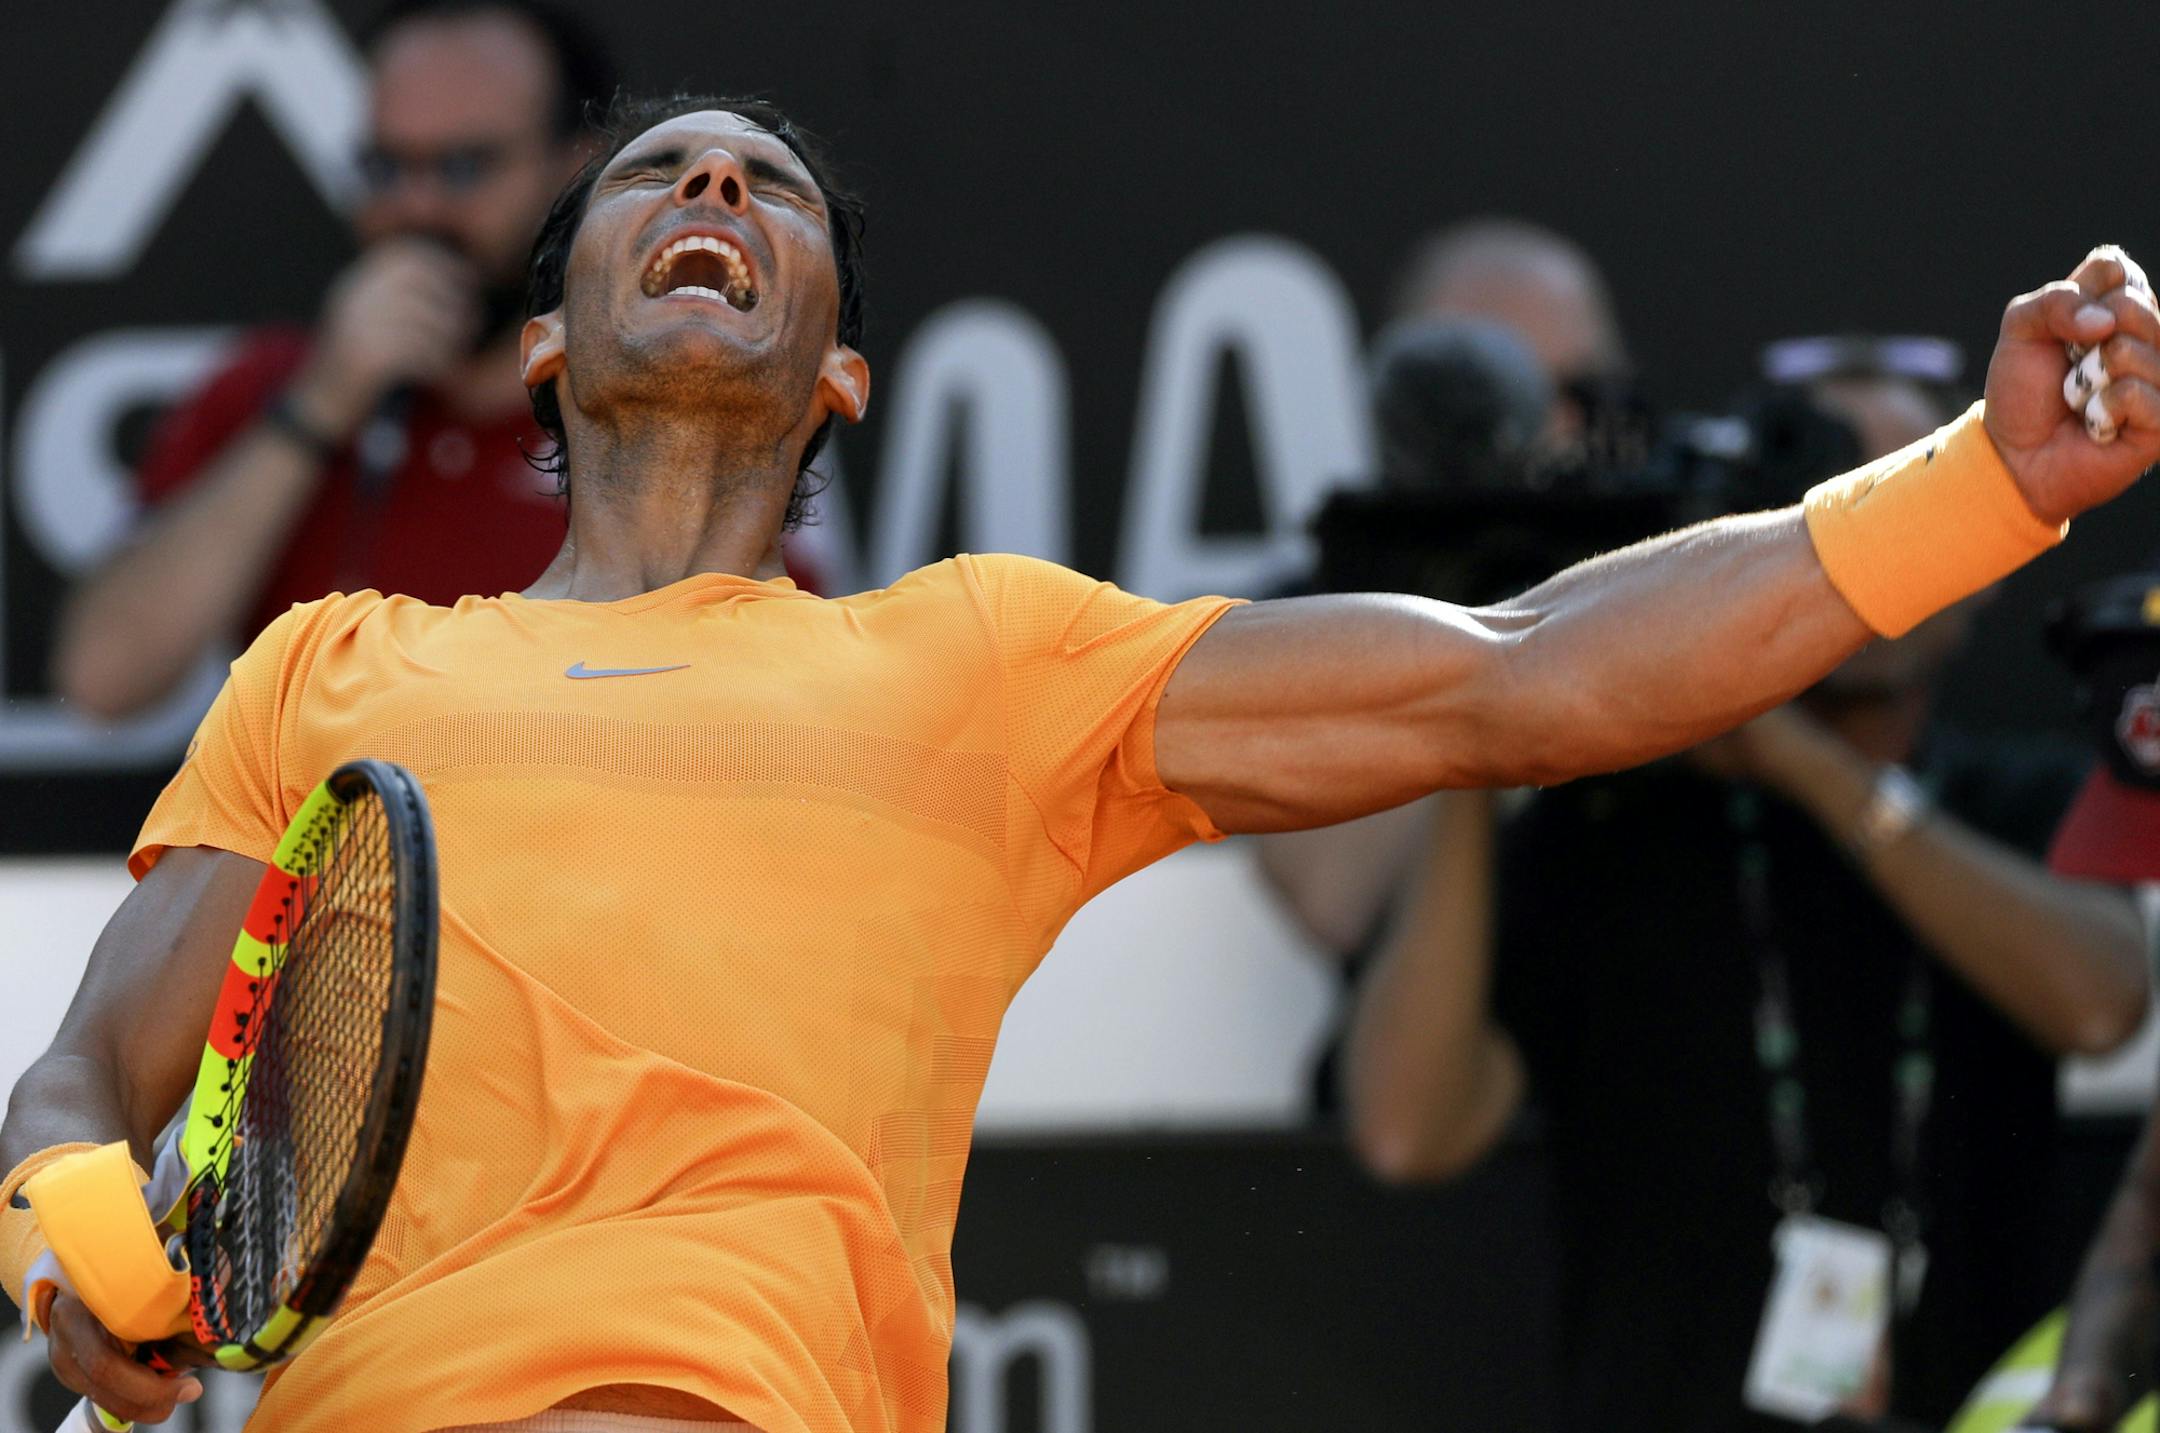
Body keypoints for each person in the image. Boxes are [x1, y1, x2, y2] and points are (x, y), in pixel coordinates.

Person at [2, 90, 2155, 1433]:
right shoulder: (332, 665)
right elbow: (91, 1069)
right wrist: (66, 1224)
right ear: (551, 331)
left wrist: (1982, 485)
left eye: (769, 184)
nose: (716, 182)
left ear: (840, 374)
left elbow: (1520, 674)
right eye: (656, 171)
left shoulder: (991, 661)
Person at [1332, 353, 2152, 1430]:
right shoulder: (1618, 828)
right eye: (1840, 505)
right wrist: (1476, 718)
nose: (1878, 544)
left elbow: (2100, 1002)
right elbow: (1409, 1129)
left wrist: (1794, 757)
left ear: (1989, 559)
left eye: (1919, 496)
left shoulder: (2019, 796)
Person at [51, 0, 615, 720]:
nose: (416, 207)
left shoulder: (645, 404)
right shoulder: (273, 388)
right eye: (386, 167)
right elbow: (102, 678)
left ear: (575, 167)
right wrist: (320, 405)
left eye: (463, 167)